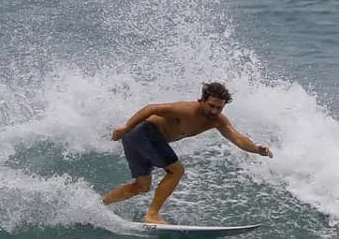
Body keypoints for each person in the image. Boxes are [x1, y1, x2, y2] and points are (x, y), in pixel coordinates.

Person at [102, 82, 273, 224]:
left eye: (219, 108)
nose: (214, 111)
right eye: (211, 105)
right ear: (202, 100)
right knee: (177, 171)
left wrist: (257, 150)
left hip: (137, 138)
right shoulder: (185, 110)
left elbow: (237, 138)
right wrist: (126, 128)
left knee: (142, 186)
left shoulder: (217, 121)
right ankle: (152, 215)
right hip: (143, 132)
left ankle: (101, 205)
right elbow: (151, 108)